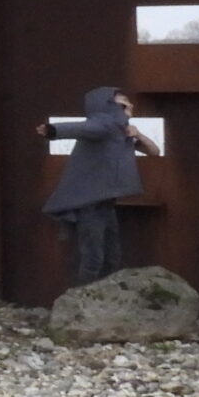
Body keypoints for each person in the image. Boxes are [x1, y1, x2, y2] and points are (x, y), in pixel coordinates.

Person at [38, 89, 163, 287]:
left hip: (105, 202)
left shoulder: (120, 130)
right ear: (108, 108)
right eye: (123, 105)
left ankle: (105, 300)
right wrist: (53, 130)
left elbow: (154, 151)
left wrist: (137, 134)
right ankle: (82, 303)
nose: (129, 108)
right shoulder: (105, 124)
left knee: (112, 255)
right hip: (90, 203)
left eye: (129, 105)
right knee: (93, 257)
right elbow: (83, 128)